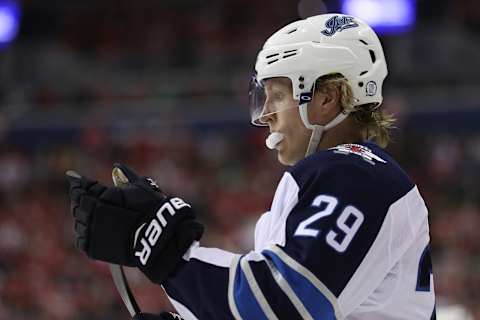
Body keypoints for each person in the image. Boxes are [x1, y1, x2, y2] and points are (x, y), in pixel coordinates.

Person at [67, 14, 436, 319]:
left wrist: (164, 248)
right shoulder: (347, 176)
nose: (266, 115)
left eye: (277, 95)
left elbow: (285, 304)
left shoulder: (354, 175)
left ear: (328, 97)